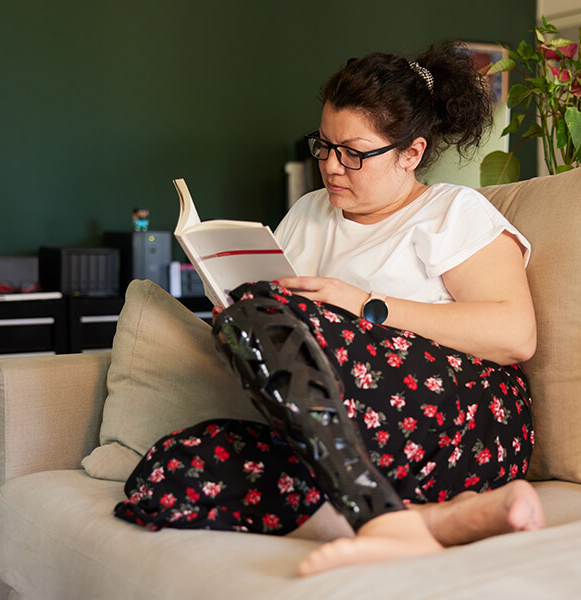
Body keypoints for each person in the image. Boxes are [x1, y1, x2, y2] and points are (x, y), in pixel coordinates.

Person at [114, 43, 544, 576]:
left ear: (411, 153)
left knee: (262, 316)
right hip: (346, 433)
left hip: (466, 415)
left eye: (354, 152)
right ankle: (423, 522)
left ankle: (381, 517)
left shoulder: (452, 212)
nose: (332, 166)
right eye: (324, 146)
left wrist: (362, 306)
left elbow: (514, 334)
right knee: (166, 477)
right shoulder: (309, 213)